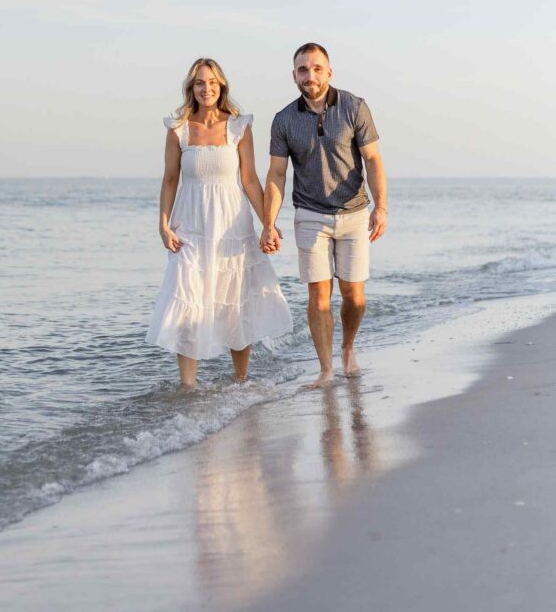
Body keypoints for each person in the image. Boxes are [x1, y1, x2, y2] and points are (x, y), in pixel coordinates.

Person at [147, 57, 293, 389]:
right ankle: (188, 388)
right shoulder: (179, 129)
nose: (206, 88)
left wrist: (268, 223)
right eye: (200, 82)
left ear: (221, 85)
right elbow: (170, 179)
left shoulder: (239, 127)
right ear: (191, 87)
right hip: (191, 226)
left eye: (212, 82)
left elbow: (251, 181)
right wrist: (163, 225)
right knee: (187, 301)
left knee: (235, 300)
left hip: (232, 225)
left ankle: (240, 382)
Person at [261, 42, 387, 387]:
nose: (310, 75)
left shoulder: (354, 107)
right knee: (318, 297)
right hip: (310, 215)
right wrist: (268, 223)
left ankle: (347, 348)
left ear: (329, 72)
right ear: (294, 76)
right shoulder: (284, 120)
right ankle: (326, 370)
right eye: (303, 69)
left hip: (354, 213)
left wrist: (382, 207)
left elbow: (373, 160)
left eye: (317, 68)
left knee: (354, 296)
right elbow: (276, 175)